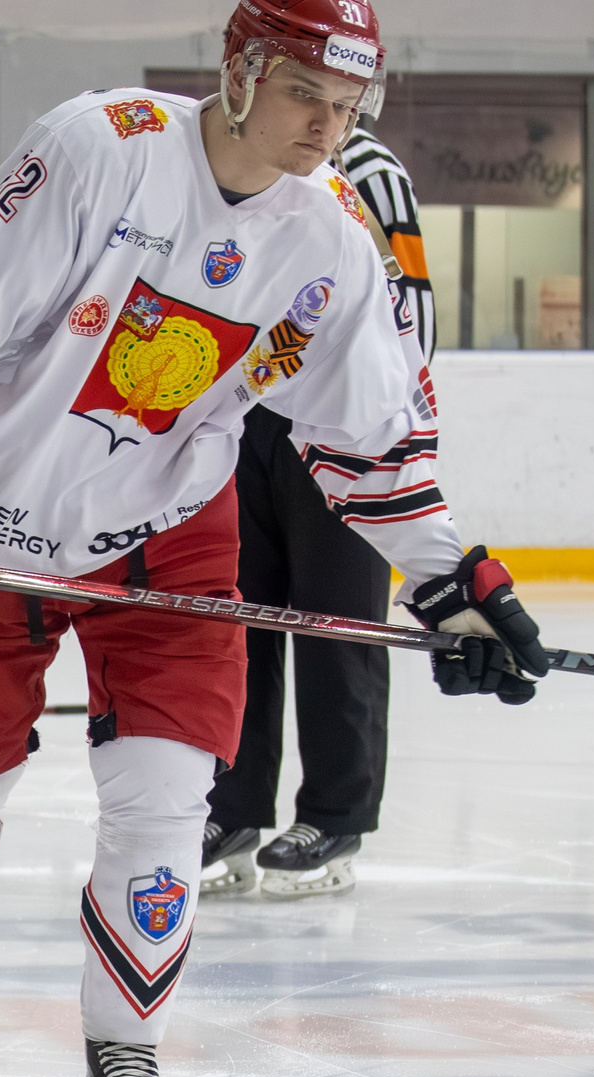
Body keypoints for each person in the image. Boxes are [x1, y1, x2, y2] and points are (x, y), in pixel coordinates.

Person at [0, 0, 547, 1077]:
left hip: (167, 542)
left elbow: (372, 438)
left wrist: (453, 583)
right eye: (303, 96)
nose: (321, 131)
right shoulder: (102, 145)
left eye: (346, 110)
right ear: (237, 70)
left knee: (165, 804)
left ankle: (124, 1048)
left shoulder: (333, 236)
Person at [200, 111, 436, 898]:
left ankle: (335, 814)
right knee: (239, 620)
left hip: (337, 422)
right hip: (240, 417)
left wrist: (377, 427)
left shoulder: (368, 165)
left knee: (340, 621)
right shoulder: (233, 155)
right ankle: (231, 808)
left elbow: (412, 306)